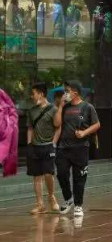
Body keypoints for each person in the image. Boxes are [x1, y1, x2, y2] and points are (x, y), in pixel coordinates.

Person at [54, 80, 101, 217]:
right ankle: (69, 199)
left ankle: (78, 205)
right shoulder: (65, 107)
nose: (65, 94)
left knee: (79, 178)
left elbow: (97, 124)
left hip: (81, 148)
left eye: (67, 91)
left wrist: (84, 133)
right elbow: (57, 123)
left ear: (75, 92)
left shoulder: (87, 107)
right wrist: (61, 106)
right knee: (61, 174)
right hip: (63, 148)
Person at [26, 83, 60, 214]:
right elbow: (30, 128)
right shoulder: (32, 110)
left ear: (41, 94)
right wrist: (29, 144)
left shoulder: (53, 109)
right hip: (35, 147)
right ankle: (40, 205)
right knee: (36, 176)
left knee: (48, 174)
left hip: (48, 146)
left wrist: (53, 143)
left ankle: (51, 196)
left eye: (33, 93)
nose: (32, 96)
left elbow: (58, 127)